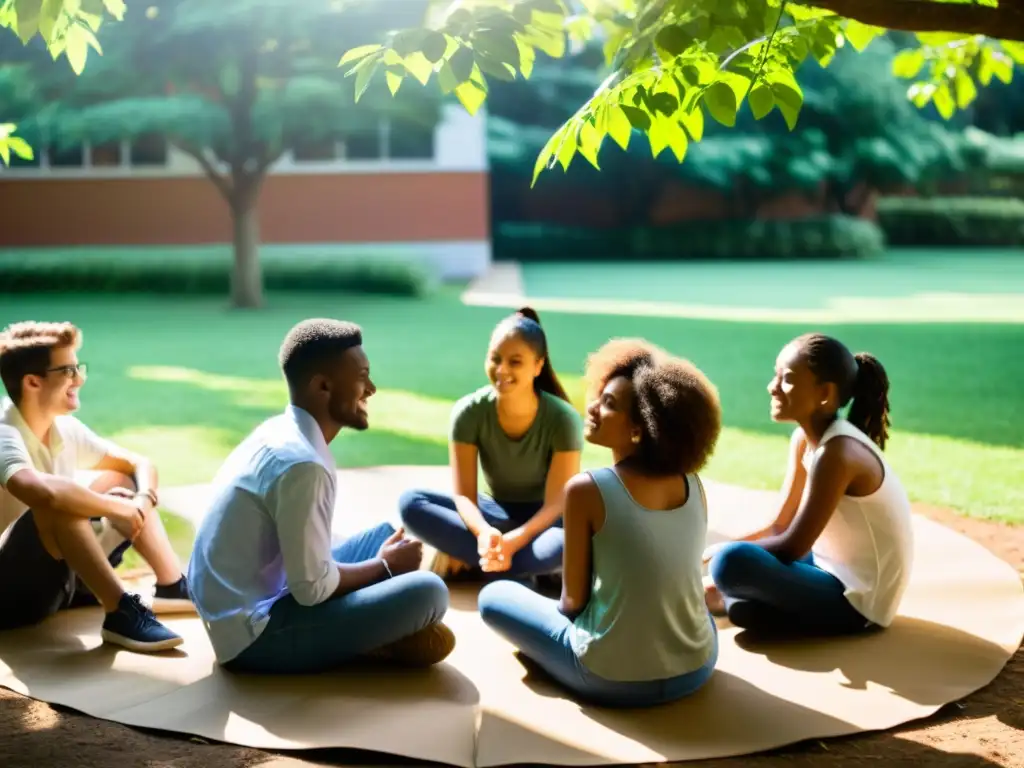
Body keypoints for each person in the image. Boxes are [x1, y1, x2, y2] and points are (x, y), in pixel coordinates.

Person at [187, 318, 454, 674]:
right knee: (429, 591)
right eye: (362, 377)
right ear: (323, 386)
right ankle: (365, 641)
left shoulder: (279, 431)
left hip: (256, 600)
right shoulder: (303, 466)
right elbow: (311, 589)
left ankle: (368, 632)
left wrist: (382, 563)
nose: (371, 388)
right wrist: (385, 567)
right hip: (253, 636)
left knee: (382, 536)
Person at [477, 339, 722, 708]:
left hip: (610, 679)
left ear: (640, 428)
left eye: (609, 404)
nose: (592, 407)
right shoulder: (694, 483)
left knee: (494, 597)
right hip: (696, 668)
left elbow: (572, 603)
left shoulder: (588, 489)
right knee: (691, 613)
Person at [705, 332, 914, 637]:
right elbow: (780, 526)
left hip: (859, 601)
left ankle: (738, 599)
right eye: (775, 376)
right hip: (827, 563)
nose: (772, 387)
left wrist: (722, 556)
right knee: (735, 580)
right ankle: (740, 601)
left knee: (730, 563)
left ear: (824, 394)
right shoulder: (805, 440)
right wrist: (712, 558)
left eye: (786, 378)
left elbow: (792, 545)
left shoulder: (838, 454)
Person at [0, 321, 192, 653]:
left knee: (120, 482)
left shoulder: (63, 426)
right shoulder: (5, 433)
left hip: (62, 582)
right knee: (60, 502)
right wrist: (111, 508)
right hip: (10, 595)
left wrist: (140, 501)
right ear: (32, 381)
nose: (80, 378)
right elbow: (40, 492)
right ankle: (120, 614)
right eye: (68, 370)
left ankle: (172, 587)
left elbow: (138, 464)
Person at [398, 307, 583, 581]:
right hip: (494, 515)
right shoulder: (468, 412)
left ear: (538, 365)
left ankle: (491, 562)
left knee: (566, 543)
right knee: (411, 502)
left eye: (515, 362)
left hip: (546, 523)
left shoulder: (563, 419)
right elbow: (464, 497)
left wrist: (513, 542)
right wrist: (484, 534)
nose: (502, 370)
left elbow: (556, 504)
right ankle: (515, 566)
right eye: (495, 359)